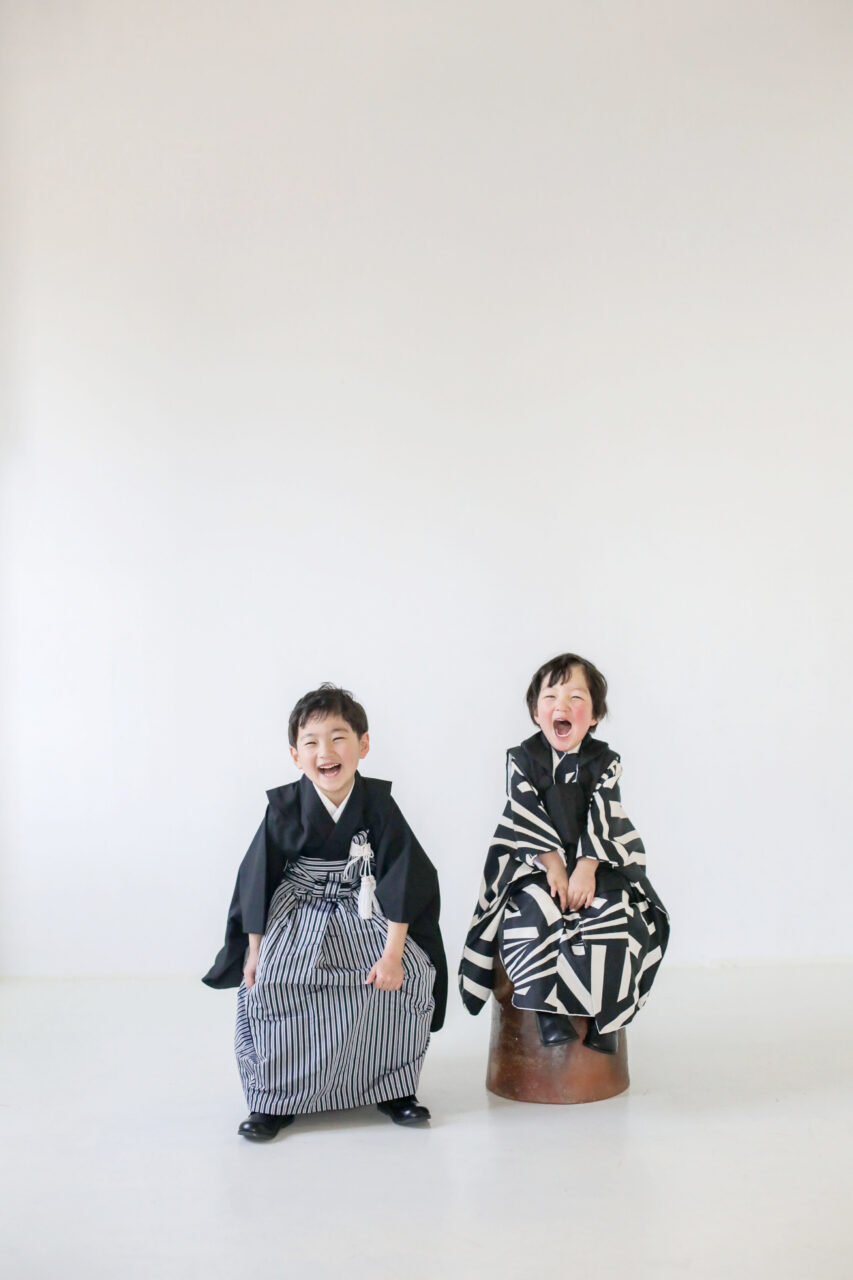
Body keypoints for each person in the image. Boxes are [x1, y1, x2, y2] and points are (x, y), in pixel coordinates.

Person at [204, 684, 447, 1140]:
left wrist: (393, 954)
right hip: (299, 911)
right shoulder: (284, 806)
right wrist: (254, 952)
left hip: (365, 908)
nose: (326, 752)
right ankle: (274, 1099)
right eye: (311, 742)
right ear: (295, 756)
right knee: (274, 982)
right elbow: (256, 878)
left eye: (338, 738)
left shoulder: (378, 804)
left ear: (363, 745)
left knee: (409, 977)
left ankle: (394, 1088)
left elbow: (405, 875)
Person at [459, 653, 669, 1054]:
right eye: (551, 696)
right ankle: (546, 1012)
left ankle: (608, 1019)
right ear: (536, 713)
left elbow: (605, 812)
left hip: (596, 861)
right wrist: (553, 865)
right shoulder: (522, 759)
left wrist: (586, 868)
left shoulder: (605, 762)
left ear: (594, 715)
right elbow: (523, 810)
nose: (562, 705)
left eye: (576, 697)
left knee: (615, 913)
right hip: (533, 863)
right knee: (533, 911)